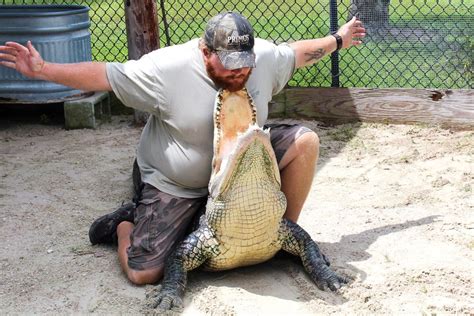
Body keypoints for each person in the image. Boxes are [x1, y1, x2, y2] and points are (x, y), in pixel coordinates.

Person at [0, 12, 365, 285]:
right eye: (229, 65)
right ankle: (126, 223)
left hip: (234, 166)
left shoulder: (263, 58)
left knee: (306, 141)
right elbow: (104, 75)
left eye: (245, 65)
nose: (240, 73)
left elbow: (298, 53)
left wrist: (339, 38)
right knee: (145, 274)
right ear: (205, 51)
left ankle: (277, 233)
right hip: (175, 182)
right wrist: (43, 69)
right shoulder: (166, 69)